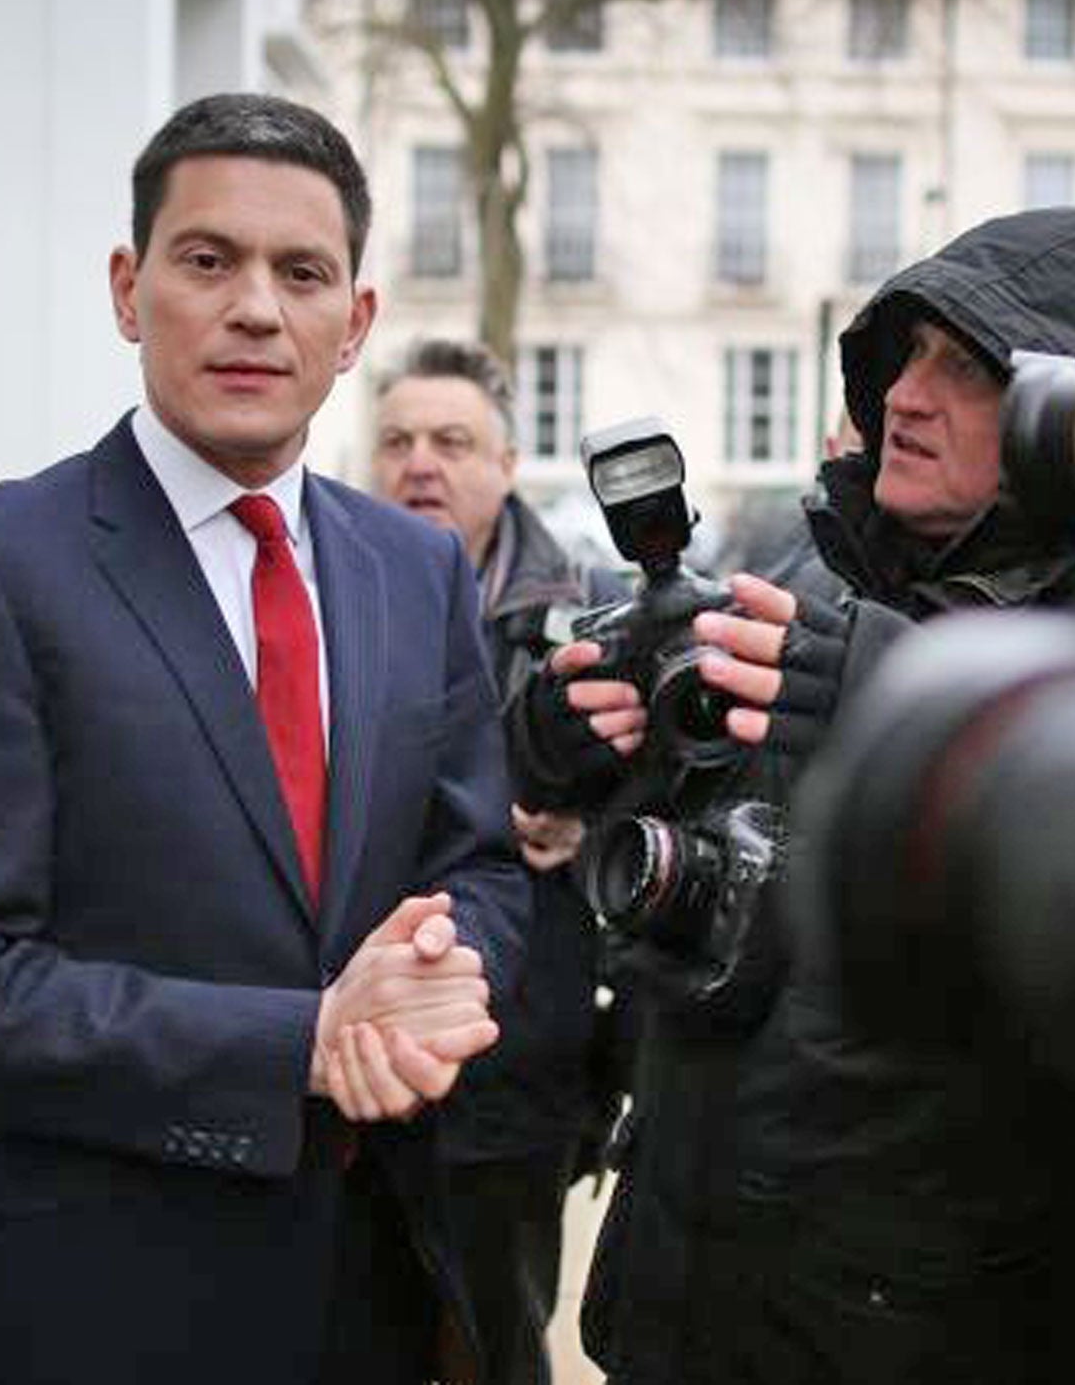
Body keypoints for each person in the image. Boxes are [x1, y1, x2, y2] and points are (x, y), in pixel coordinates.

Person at [0, 94, 527, 1385]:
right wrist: (298, 1043)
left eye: (302, 272)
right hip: (95, 1312)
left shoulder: (417, 570)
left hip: (375, 1296)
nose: (257, 308)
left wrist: (435, 970)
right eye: (208, 261)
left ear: (353, 323)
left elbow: (480, 864)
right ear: (127, 288)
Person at [515, 207, 1075, 1384]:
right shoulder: (799, 579)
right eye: (903, 355)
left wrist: (890, 691)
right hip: (686, 1313)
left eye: (966, 369)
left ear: (1074, 419)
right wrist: (565, 732)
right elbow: (669, 853)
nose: (905, 398)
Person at [369, 338, 623, 1385]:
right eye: (395, 441)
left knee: (493, 1343)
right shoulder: (322, 594)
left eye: (451, 441)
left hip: (514, 1073)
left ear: (507, 464)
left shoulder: (586, 620)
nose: (419, 463)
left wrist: (585, 836)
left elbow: (681, 822)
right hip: (347, 1064)